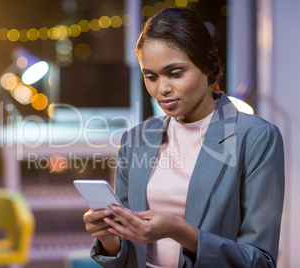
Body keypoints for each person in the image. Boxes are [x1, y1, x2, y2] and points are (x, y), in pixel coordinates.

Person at [82, 8, 285, 268]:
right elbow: (128, 257)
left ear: (208, 64)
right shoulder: (135, 140)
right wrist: (110, 238)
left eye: (175, 73)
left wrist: (180, 231)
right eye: (151, 76)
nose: (162, 89)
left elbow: (261, 262)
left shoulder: (255, 138)